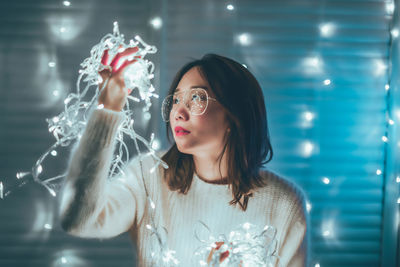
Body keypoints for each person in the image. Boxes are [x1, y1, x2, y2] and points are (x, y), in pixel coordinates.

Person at [59, 52, 309, 267]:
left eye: (197, 98)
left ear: (235, 114)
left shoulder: (283, 203)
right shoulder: (148, 177)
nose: (178, 111)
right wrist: (108, 110)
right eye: (176, 99)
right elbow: (79, 221)